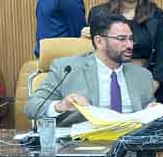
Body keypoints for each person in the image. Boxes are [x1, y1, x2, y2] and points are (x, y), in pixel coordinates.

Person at [25, 13, 154, 127]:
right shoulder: (67, 69)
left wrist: (154, 111)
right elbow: (32, 107)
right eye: (121, 39)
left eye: (131, 39)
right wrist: (60, 106)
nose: (130, 45)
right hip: (83, 142)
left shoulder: (143, 75)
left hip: (131, 143)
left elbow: (148, 114)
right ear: (99, 42)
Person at [87, 0, 163, 103]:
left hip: (148, 81)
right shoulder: (99, 14)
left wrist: (152, 86)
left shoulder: (156, 15)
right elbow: (93, 53)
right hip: (108, 82)